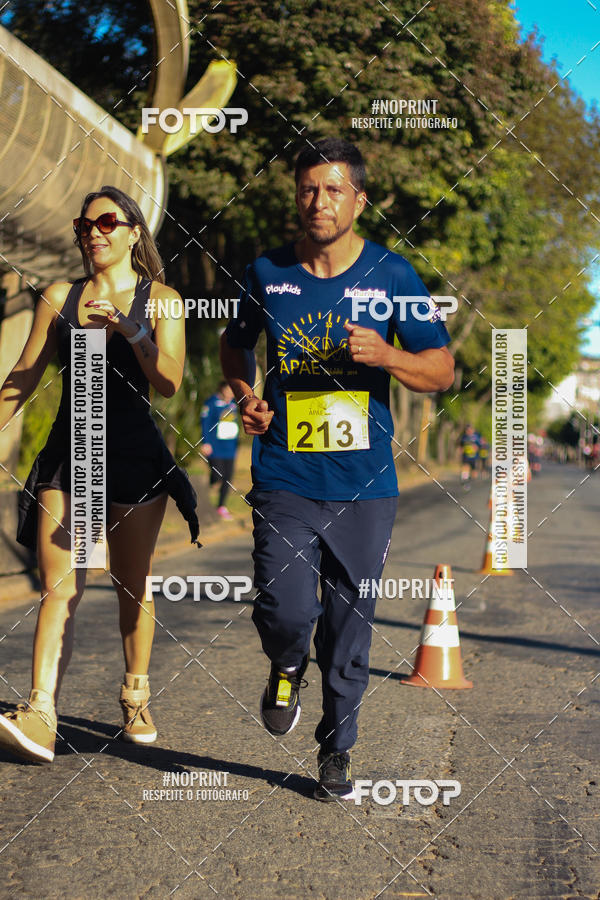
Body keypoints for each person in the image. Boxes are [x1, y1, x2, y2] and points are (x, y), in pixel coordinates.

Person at [220, 138, 454, 801]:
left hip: (365, 485)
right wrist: (246, 396)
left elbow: (441, 369)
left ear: (359, 200)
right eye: (307, 189)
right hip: (285, 473)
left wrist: (388, 356)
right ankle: (286, 661)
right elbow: (233, 346)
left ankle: (337, 749)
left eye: (332, 190)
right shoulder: (266, 271)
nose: (318, 201)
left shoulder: (392, 274)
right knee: (285, 605)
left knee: (350, 626)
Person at [0, 185, 199, 763]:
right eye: (84, 225)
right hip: (74, 453)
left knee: (131, 583)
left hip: (134, 455)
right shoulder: (60, 296)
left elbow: (170, 381)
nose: (93, 232)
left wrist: (130, 331)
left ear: (134, 232)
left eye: (107, 222)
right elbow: (24, 374)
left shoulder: (162, 300)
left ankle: (135, 693)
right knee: (60, 584)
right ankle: (41, 712)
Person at [200, 380, 240, 519]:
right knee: (218, 474)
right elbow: (205, 423)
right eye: (228, 390)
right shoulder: (211, 403)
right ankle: (208, 486)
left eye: (232, 390)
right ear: (222, 389)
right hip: (215, 447)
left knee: (228, 477)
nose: (230, 393)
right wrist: (205, 442)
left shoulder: (233, 404)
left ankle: (221, 506)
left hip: (230, 447)